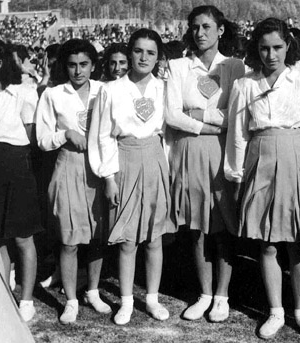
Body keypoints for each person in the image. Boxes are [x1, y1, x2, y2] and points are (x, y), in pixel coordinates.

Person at [225, 17, 300, 340]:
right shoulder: (246, 84)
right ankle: (275, 311)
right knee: (266, 242)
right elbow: (237, 135)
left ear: (288, 46)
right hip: (259, 155)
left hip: (295, 157)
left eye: (277, 47)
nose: (271, 54)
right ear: (257, 49)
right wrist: (236, 174)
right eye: (264, 48)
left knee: (297, 242)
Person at [88, 28, 173, 326]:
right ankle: (125, 301)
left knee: (154, 237)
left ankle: (151, 298)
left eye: (151, 52)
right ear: (130, 51)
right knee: (127, 239)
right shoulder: (110, 90)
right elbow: (101, 137)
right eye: (138, 51)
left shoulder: (163, 88)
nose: (144, 57)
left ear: (158, 56)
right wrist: (109, 176)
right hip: (124, 160)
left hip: (154, 160)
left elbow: (168, 129)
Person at [165, 5, 244, 323]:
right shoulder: (178, 66)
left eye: (207, 27)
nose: (200, 33)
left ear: (220, 30)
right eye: (195, 27)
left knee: (222, 227)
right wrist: (211, 123)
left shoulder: (235, 66)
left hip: (222, 154)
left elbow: (236, 116)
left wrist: (198, 115)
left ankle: (222, 296)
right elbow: (171, 115)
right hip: (189, 153)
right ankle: (205, 293)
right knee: (197, 227)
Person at [36, 39, 111, 324]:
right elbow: (42, 140)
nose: (78, 71)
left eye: (84, 65)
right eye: (72, 65)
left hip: (100, 168)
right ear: (64, 66)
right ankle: (70, 300)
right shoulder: (53, 95)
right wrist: (65, 134)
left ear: (93, 65)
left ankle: (92, 290)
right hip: (67, 166)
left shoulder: (104, 90)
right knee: (69, 239)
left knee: (98, 236)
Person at [0, 40, 41, 323]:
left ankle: (27, 299)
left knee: (23, 237)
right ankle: (2, 294)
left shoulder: (22, 93)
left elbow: (31, 137)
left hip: (17, 166)